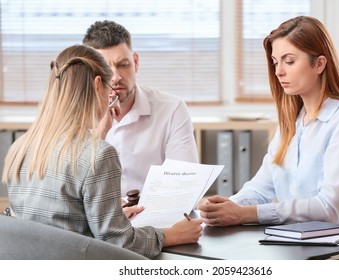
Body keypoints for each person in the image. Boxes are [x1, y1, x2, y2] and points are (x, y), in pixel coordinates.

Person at [197, 16, 339, 259]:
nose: (278, 71)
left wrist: (245, 214)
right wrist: (225, 208)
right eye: (275, 61)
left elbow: (328, 208)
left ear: (319, 64)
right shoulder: (291, 124)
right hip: (299, 249)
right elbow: (260, 188)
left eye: (289, 61)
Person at [2, 44, 202, 259]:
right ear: (98, 85)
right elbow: (119, 243)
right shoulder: (99, 154)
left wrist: (114, 217)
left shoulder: (21, 147)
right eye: (109, 92)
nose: (111, 99)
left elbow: (59, 222)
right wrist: (171, 235)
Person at [82, 20, 199, 197]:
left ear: (135, 62)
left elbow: (183, 186)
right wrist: (100, 133)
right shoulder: (75, 113)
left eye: (123, 65)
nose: (116, 77)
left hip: (155, 215)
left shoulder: (172, 110)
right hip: (100, 220)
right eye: (105, 68)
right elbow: (73, 186)